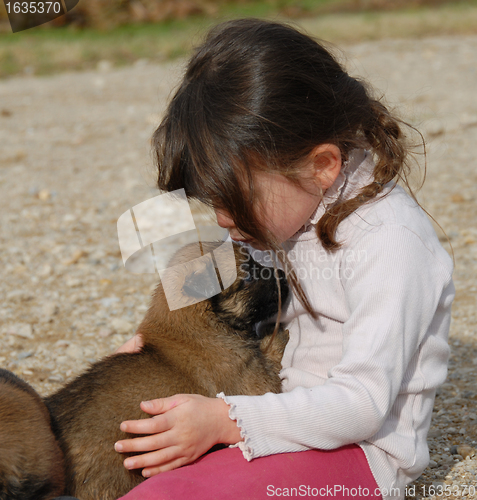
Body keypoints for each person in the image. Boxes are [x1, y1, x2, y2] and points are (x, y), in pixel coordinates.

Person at [113, 18, 454, 500]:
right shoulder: (293, 206)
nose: (222, 218)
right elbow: (212, 264)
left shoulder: (390, 242)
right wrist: (154, 337)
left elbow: (363, 406)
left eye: (233, 200)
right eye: (211, 203)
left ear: (321, 165)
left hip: (359, 459)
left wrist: (224, 419)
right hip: (284, 420)